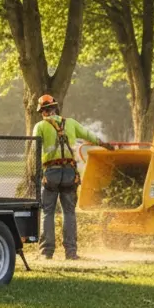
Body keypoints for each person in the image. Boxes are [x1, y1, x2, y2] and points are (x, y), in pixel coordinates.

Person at [32, 94, 110, 260]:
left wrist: (36, 173)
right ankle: (71, 252)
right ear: (55, 108)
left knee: (48, 212)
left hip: (51, 172)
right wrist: (105, 144)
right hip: (69, 172)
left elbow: (34, 151)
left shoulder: (40, 126)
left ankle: (46, 252)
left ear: (43, 111)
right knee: (69, 212)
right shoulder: (71, 123)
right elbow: (89, 135)